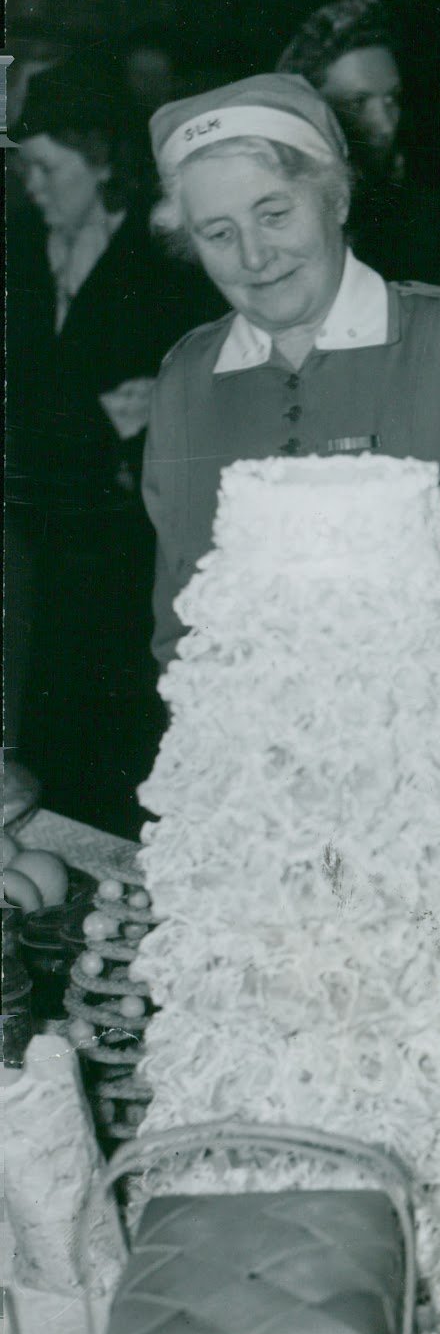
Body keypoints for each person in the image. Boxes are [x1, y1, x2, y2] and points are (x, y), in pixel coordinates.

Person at [142, 73, 440, 666]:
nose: (254, 257)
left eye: (275, 214)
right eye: (219, 233)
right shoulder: (186, 377)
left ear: (336, 198)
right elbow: (180, 624)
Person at [6, 61, 213, 834]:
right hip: (38, 537)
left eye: (46, 168)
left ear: (98, 160)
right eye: (24, 168)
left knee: (118, 741)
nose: (31, 185)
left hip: (125, 546)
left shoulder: (160, 259)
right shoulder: (22, 250)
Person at [276, 0, 440, 294]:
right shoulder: (274, 219)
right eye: (358, 103)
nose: (385, 125)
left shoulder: (428, 220)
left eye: (392, 99)